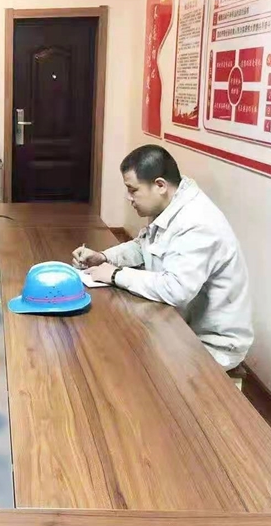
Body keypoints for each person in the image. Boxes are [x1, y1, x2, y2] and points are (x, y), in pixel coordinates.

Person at [73, 145, 253, 370]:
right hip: (178, 322)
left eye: (133, 190)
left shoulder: (198, 223)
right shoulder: (170, 203)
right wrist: (103, 257)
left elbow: (176, 289)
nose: (129, 197)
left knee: (120, 362)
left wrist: (116, 274)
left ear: (160, 185)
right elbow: (143, 247)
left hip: (210, 344)